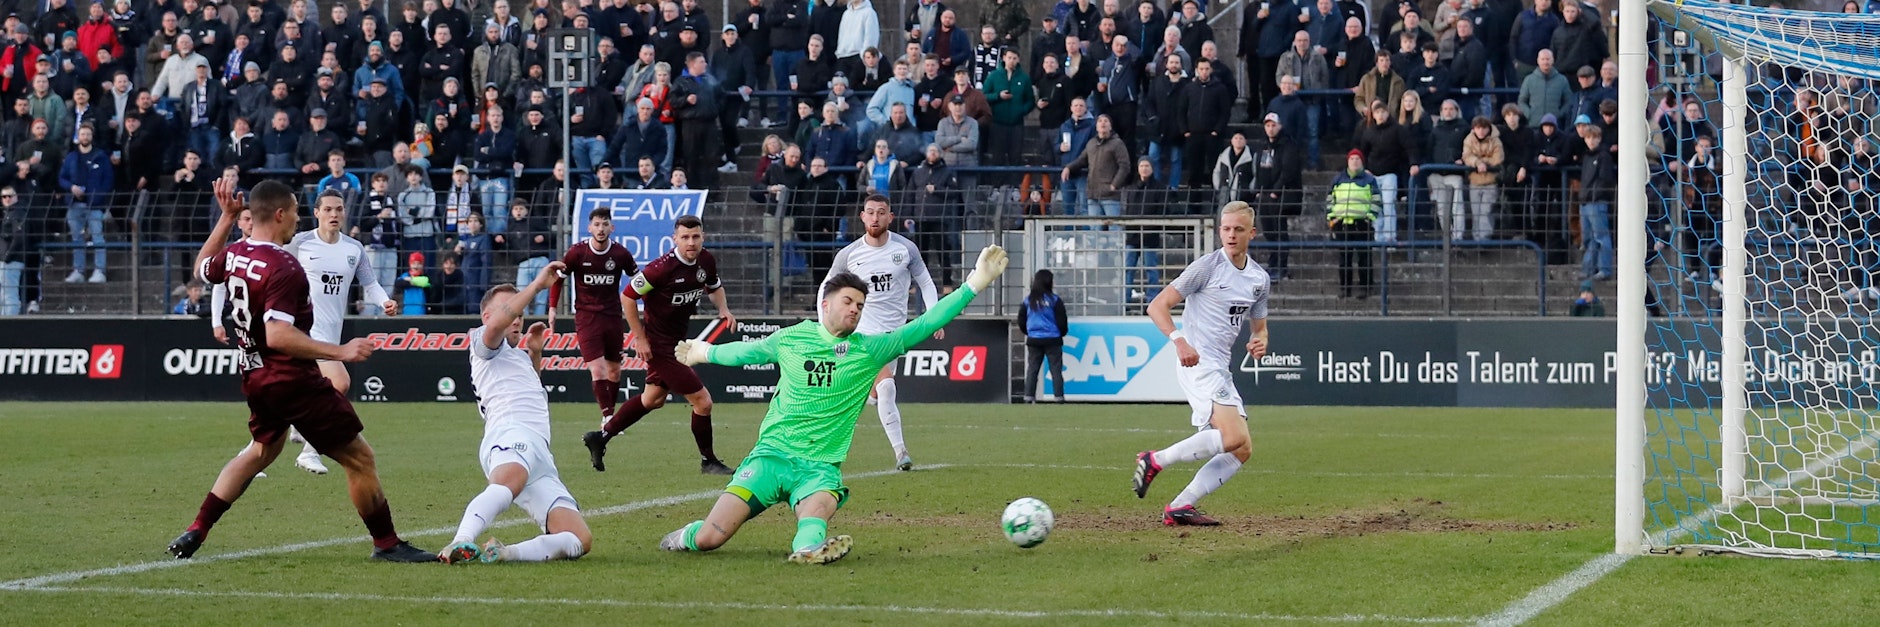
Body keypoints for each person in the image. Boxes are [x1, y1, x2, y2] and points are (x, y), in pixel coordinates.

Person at [657, 245, 1008, 564]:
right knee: (709, 539)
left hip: (819, 468)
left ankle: (808, 550)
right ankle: (685, 535)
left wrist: (974, 283)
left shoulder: (870, 350)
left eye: (859, 305)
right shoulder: (793, 337)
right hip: (770, 458)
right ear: (826, 304)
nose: (855, 309)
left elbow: (927, 322)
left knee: (818, 508)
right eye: (848, 302)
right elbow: (747, 351)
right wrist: (705, 352)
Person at [169, 177, 432, 563]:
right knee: (360, 458)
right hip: (290, 378)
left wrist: (226, 219)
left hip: (255, 375)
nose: (298, 216)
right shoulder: (285, 265)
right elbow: (278, 335)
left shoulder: (237, 253)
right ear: (279, 214)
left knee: (261, 450)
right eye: (294, 209)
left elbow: (202, 268)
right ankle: (388, 543)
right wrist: (339, 350)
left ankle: (197, 529)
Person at [439, 263, 595, 564]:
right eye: (510, 310)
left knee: (579, 539)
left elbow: (529, 391)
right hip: (510, 434)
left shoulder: (517, 355)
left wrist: (535, 353)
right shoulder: (482, 340)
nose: (516, 319)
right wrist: (536, 286)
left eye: (520, 314)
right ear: (487, 317)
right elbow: (498, 326)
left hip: (540, 452)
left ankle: (505, 553)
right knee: (507, 482)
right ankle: (461, 541)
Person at [1131, 201, 1269, 526]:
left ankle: (1180, 505)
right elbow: (1157, 306)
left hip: (1221, 366)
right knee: (1234, 437)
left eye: (1238, 229)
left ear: (1252, 232)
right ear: (1219, 230)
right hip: (1199, 363)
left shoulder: (1259, 279)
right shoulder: (1207, 267)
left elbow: (1259, 327)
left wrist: (1261, 340)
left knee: (1241, 449)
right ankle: (1154, 459)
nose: (1231, 235)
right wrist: (1179, 340)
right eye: (1225, 228)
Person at [584, 215, 737, 475]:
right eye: (685, 237)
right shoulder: (661, 268)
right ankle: (708, 461)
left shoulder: (706, 260)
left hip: (677, 341)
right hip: (660, 346)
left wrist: (724, 309)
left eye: (696, 236)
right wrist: (640, 337)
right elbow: (628, 296)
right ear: (674, 239)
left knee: (652, 399)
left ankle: (601, 437)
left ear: (703, 237)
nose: (691, 242)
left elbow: (714, 286)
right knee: (703, 402)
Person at [279, 189, 400, 474]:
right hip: (304, 330)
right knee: (340, 382)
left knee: (293, 393)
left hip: (332, 332)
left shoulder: (353, 249)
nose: (334, 214)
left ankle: (264, 446)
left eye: (339, 209)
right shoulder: (300, 243)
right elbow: (274, 265)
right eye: (328, 209)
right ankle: (309, 452)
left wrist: (384, 301)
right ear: (317, 213)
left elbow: (369, 284)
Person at [823, 195, 940, 471]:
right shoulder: (849, 254)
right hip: (863, 332)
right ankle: (901, 452)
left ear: (891, 217)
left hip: (896, 334)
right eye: (870, 212)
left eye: (881, 213)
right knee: (887, 387)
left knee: (878, 394)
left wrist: (934, 316)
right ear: (862, 216)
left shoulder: (905, 249)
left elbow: (925, 281)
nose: (875, 218)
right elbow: (826, 286)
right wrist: (824, 323)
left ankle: (871, 397)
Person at [546, 208, 639, 423]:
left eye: (605, 224)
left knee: (614, 371)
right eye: (596, 224)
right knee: (598, 370)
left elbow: (639, 281)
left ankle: (611, 413)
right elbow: (558, 279)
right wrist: (552, 308)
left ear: (611, 228)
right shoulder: (577, 253)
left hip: (613, 316)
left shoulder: (621, 254)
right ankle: (608, 417)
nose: (601, 228)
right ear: (589, 228)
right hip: (587, 317)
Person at [1326, 149, 1381, 298]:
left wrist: (1369, 218)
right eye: (1352, 159)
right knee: (1344, 259)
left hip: (1362, 224)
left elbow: (1376, 200)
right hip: (1342, 224)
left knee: (1364, 258)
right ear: (1347, 161)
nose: (1355, 162)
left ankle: (1366, 287)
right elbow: (1330, 199)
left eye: (1358, 159)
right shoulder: (1338, 179)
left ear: (1362, 162)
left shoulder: (1369, 180)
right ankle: (1345, 288)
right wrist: (1332, 218)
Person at [1017, 269, 1068, 403]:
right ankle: (1059, 397)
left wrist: (1030, 332)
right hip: (1053, 339)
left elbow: (1021, 320)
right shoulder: (1054, 300)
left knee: (1033, 369)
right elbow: (1062, 321)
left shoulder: (1028, 301)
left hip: (1034, 339)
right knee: (1056, 370)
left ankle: (1028, 397)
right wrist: (1060, 334)